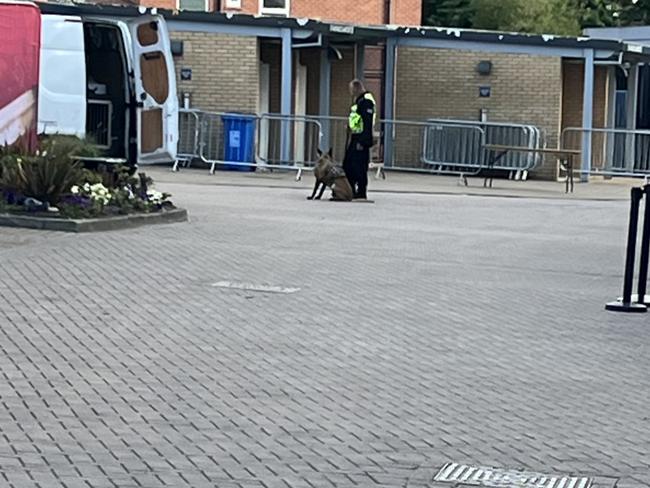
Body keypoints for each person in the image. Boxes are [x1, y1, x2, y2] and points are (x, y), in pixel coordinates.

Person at [343, 79, 376, 200]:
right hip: (356, 136)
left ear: (356, 88)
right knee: (349, 164)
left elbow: (367, 123)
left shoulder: (366, 101)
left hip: (361, 139)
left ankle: (361, 191)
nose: (350, 92)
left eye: (351, 89)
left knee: (359, 166)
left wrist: (363, 141)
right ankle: (351, 189)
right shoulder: (360, 101)